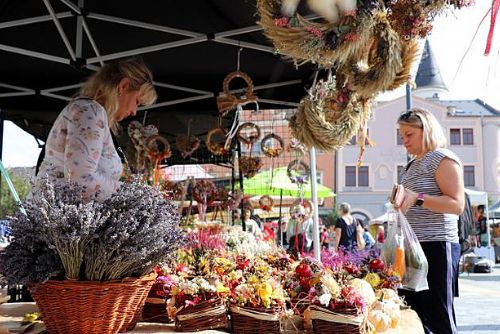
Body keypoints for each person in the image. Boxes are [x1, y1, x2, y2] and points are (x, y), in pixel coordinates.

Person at [35, 58, 157, 202]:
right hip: (58, 216)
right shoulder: (90, 111)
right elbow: (81, 179)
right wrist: (136, 196)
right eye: (137, 102)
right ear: (123, 86)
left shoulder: (90, 111)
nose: (134, 111)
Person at [395, 108, 464, 334]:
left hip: (437, 245)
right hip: (413, 248)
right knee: (414, 315)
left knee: (439, 316)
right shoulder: (412, 165)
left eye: (409, 134)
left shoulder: (443, 158)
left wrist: (418, 198)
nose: (404, 141)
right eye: (401, 135)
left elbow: (456, 204)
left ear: (427, 130)